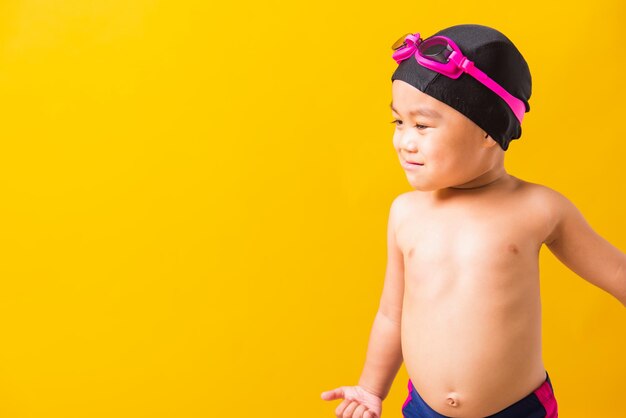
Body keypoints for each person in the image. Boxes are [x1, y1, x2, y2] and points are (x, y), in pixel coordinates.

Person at [320, 24, 626, 418]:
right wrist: (369, 388)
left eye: (423, 125)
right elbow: (391, 314)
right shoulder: (406, 212)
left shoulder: (538, 208)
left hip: (517, 411)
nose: (404, 141)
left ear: (487, 130)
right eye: (398, 122)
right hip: (423, 410)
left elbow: (617, 271)